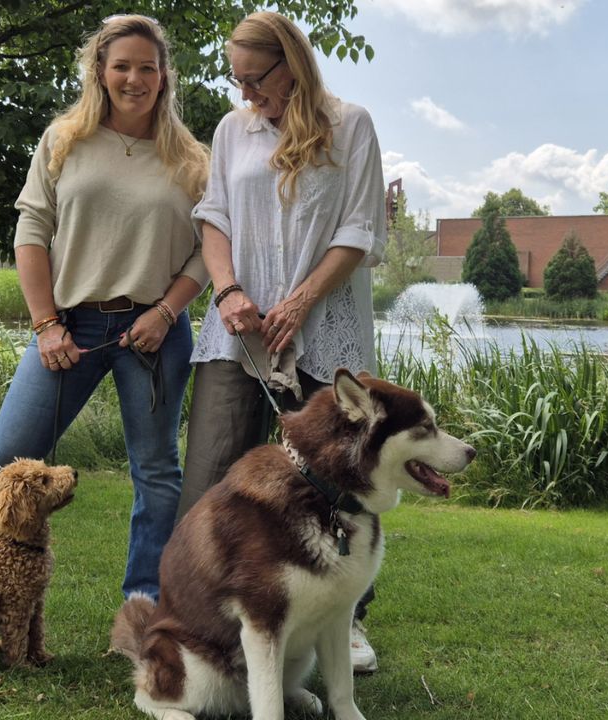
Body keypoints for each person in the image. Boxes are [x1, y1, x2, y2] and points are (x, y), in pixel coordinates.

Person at [0, 14, 209, 632]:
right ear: (100, 70)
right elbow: (31, 231)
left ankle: (143, 615)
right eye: (122, 66)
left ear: (164, 76)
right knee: (5, 459)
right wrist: (44, 325)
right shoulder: (64, 139)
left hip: (154, 335)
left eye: (148, 67)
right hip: (67, 330)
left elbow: (206, 249)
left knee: (158, 475)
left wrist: (168, 312)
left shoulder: (193, 159)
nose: (135, 78)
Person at [176, 11, 387, 673]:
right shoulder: (233, 130)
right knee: (212, 475)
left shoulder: (350, 124)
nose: (245, 95)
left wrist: (300, 302)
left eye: (254, 79)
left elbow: (359, 229)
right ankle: (194, 624)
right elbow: (213, 218)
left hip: (326, 330)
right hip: (238, 333)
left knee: (337, 481)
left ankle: (345, 623)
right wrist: (229, 290)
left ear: (290, 63)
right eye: (235, 80)